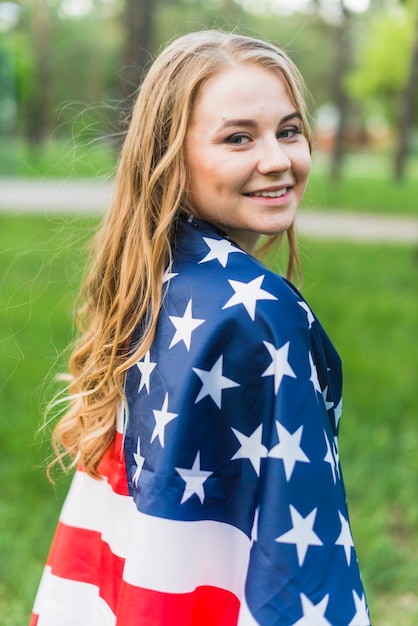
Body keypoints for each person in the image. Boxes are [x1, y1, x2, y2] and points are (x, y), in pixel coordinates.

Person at [30, 29, 371, 626]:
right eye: (238, 138)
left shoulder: (151, 277)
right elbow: (298, 561)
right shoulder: (260, 315)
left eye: (289, 131)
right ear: (169, 155)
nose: (277, 159)